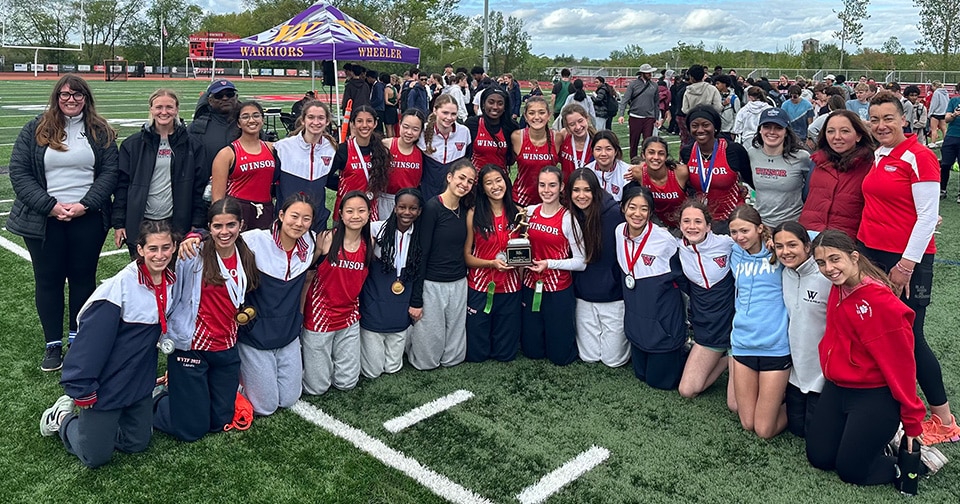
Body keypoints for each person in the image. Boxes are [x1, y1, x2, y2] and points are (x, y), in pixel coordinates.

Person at [806, 230, 947, 485]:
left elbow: (902, 366)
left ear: (854, 257)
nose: (828, 269)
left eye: (835, 259)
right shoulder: (839, 287)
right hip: (837, 388)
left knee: (852, 472)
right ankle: (875, 443)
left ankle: (923, 461)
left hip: (874, 395)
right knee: (820, 457)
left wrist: (912, 422)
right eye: (821, 263)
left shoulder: (880, 302)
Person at [859, 92, 960, 445]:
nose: (881, 125)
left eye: (888, 118)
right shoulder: (879, 154)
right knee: (879, 332)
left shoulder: (919, 156)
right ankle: (894, 404)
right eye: (875, 119)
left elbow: (928, 216)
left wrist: (905, 264)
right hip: (871, 254)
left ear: (904, 120)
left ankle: (944, 420)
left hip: (904, 260)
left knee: (911, 336)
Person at [40, 221, 177, 468]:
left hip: (139, 380)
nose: (160, 255)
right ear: (140, 250)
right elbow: (88, 345)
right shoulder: (119, 288)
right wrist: (82, 387)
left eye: (166, 247)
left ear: (174, 247)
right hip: (108, 384)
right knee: (95, 457)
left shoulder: (172, 281)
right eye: (153, 248)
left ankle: (119, 420)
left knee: (137, 444)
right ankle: (62, 418)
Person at [8, 74, 119, 371]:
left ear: (86, 98)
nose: (71, 100)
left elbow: (110, 173)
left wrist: (85, 204)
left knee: (83, 278)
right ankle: (53, 344)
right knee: (48, 280)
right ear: (57, 97)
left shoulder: (100, 131)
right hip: (44, 219)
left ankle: (77, 338)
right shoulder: (36, 128)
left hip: (87, 217)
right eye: (65, 95)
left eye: (77, 94)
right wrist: (50, 206)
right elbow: (19, 171)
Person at [181, 193, 318, 416]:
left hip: (288, 334)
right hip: (256, 335)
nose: (299, 223)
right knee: (265, 407)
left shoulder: (311, 242)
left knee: (289, 398)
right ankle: (235, 381)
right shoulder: (256, 240)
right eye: (294, 216)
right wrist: (195, 235)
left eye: (306, 218)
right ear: (281, 215)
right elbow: (225, 235)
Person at [153, 199, 257, 442]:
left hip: (226, 348)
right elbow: (172, 292)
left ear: (241, 225)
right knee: (192, 430)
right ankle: (154, 398)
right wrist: (193, 236)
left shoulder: (246, 253)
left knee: (220, 421)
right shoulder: (193, 254)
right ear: (209, 227)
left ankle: (181, 393)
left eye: (230, 225)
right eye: (217, 226)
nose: (224, 232)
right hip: (193, 348)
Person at [114, 88, 206, 257]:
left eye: (169, 107)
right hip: (141, 221)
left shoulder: (192, 145)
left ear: (176, 109)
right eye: (159, 107)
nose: (164, 112)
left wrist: (197, 222)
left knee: (176, 270)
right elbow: (122, 186)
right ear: (151, 109)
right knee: (142, 270)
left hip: (176, 222)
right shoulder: (132, 145)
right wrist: (119, 223)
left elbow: (199, 188)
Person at [301, 192, 373, 395]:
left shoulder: (369, 243)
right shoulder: (326, 239)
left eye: (361, 211)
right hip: (320, 317)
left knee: (346, 383)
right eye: (350, 211)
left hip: (349, 316)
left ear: (369, 214)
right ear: (340, 214)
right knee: (316, 388)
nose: (355, 216)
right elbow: (306, 274)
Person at [728, 205, 790, 439]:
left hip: (775, 345)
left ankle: (798, 405)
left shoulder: (779, 253)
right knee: (747, 423)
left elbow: (809, 238)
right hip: (743, 343)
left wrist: (778, 241)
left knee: (764, 430)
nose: (739, 237)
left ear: (760, 228)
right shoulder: (734, 252)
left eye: (745, 231)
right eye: (734, 232)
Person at [408, 160, 476, 370]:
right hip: (433, 282)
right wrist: (416, 299)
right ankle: (424, 358)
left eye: (470, 181)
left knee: (455, 331)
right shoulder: (432, 208)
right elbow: (421, 253)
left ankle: (451, 359)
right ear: (449, 177)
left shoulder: (465, 210)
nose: (464, 184)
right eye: (461, 178)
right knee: (429, 339)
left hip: (458, 281)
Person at [615, 186, 685, 389]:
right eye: (632, 207)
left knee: (659, 381)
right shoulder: (619, 232)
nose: (637, 214)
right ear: (623, 208)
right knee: (641, 375)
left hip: (663, 324)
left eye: (644, 209)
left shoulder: (665, 240)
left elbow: (683, 277)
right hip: (637, 322)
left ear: (651, 212)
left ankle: (688, 352)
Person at [521, 166, 586, 366]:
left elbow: (581, 262)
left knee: (560, 356)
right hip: (531, 285)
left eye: (552, 185)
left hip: (558, 289)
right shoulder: (529, 212)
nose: (546, 190)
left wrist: (549, 264)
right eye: (542, 185)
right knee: (532, 351)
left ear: (561, 187)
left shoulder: (569, 219)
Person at [675, 200, 736, 405]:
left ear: (708, 226)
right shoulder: (676, 247)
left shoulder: (727, 243)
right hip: (708, 329)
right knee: (687, 390)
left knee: (735, 405)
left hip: (736, 330)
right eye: (686, 221)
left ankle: (733, 357)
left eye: (698, 221)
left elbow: (754, 241)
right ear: (680, 225)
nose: (692, 226)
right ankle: (725, 360)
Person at [360, 188, 424, 378]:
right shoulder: (375, 229)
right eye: (402, 207)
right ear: (394, 208)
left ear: (419, 211)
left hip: (400, 310)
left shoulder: (420, 236)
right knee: (372, 371)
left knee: (393, 367)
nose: (407, 212)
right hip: (374, 307)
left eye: (413, 208)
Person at [567, 169, 627, 367]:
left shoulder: (614, 215)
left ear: (596, 191)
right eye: (576, 190)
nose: (581, 195)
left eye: (587, 190)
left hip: (613, 296)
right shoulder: (569, 215)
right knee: (589, 356)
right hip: (583, 295)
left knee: (613, 360)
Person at [773, 221, 827, 438]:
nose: (785, 252)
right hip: (796, 372)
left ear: (807, 246)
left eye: (792, 245)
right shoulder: (784, 272)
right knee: (797, 430)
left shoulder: (826, 275)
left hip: (823, 373)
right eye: (779, 246)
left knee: (814, 434)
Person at [464, 165, 522, 362]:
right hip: (481, 285)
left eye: (499, 180)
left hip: (510, 287)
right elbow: (467, 257)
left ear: (506, 181)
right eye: (489, 183)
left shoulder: (519, 213)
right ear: (482, 188)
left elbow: (524, 251)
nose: (495, 186)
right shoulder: (473, 214)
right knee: (477, 355)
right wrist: (491, 263)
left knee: (506, 354)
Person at [800, 109, 876, 239]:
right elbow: (806, 196)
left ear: (858, 135)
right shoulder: (817, 162)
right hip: (810, 237)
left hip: (844, 241)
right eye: (830, 131)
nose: (837, 137)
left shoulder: (870, 166)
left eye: (845, 131)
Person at [678, 106, 753, 233]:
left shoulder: (733, 150)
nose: (700, 130)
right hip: (702, 219)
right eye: (695, 126)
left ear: (715, 127)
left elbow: (750, 179)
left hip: (732, 218)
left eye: (705, 125)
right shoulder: (687, 152)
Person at [210, 101, 276, 230]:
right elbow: (217, 199)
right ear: (238, 123)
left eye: (256, 115)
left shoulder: (272, 149)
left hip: (266, 210)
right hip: (238, 210)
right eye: (245, 117)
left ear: (262, 120)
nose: (251, 120)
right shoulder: (227, 154)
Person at [274, 100, 338, 232]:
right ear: (303, 120)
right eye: (311, 117)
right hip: (288, 219)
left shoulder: (332, 149)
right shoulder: (283, 147)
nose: (316, 122)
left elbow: (332, 180)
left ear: (327, 121)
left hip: (317, 219)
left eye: (321, 118)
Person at [745, 108, 812, 227]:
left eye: (778, 128)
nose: (772, 132)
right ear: (760, 130)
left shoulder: (802, 157)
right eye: (767, 127)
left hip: (791, 225)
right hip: (761, 224)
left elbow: (812, 189)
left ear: (786, 132)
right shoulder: (752, 154)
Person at [330, 105, 390, 220]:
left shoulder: (381, 150)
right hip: (346, 210)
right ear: (352, 124)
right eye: (359, 121)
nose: (364, 125)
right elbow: (327, 177)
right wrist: (344, 187)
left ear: (375, 124)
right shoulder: (343, 150)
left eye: (369, 121)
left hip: (370, 211)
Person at [419, 94, 471, 199]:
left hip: (453, 192)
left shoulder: (464, 132)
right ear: (435, 110)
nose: (449, 118)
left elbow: (467, 159)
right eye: (445, 113)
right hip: (427, 190)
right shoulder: (422, 131)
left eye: (453, 114)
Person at [512, 97, 559, 206]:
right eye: (531, 113)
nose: (537, 117)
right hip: (520, 201)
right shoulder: (517, 137)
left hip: (548, 201)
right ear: (525, 116)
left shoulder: (557, 138)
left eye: (542, 113)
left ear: (549, 115)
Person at [634, 137, 688, 229]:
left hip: (682, 225)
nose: (656, 157)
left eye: (661, 153)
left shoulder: (681, 172)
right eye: (651, 152)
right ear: (643, 155)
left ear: (666, 156)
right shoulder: (638, 173)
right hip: (656, 224)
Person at [189, 79, 240, 174]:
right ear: (210, 100)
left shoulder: (247, 124)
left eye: (229, 94)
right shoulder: (197, 127)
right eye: (219, 96)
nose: (225, 98)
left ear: (236, 97)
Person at [465, 86, 518, 171]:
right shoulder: (472, 124)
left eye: (500, 103)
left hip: (500, 177)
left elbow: (511, 160)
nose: (495, 107)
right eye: (491, 102)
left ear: (505, 107)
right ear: (483, 104)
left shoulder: (511, 126)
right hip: (476, 177)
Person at [618, 64, 661, 159]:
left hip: (649, 117)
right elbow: (625, 99)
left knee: (648, 142)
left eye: (650, 72)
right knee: (634, 142)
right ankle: (633, 160)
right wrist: (621, 114)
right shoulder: (633, 84)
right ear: (642, 73)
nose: (650, 74)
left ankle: (647, 160)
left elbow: (656, 103)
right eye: (648, 72)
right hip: (635, 116)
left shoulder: (654, 85)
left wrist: (657, 118)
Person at [585, 130, 631, 202]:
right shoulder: (587, 172)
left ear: (615, 151)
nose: (603, 154)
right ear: (592, 151)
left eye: (608, 149)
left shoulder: (627, 173)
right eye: (598, 149)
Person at [556, 103, 597, 180]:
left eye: (580, 121)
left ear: (587, 119)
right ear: (567, 128)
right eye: (572, 124)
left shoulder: (596, 143)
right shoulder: (563, 137)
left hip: (588, 187)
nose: (578, 127)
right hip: (567, 187)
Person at [939, 84, 960, 202]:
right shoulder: (954, 101)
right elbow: (946, 119)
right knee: (945, 164)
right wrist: (954, 114)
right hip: (951, 136)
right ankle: (942, 190)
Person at [715, 75, 740, 140]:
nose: (716, 86)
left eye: (718, 83)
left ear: (724, 84)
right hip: (716, 130)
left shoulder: (734, 98)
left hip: (728, 132)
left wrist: (733, 131)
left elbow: (737, 115)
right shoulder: (715, 97)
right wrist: (723, 104)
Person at [928, 80, 949, 147]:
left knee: (934, 129)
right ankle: (946, 142)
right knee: (944, 129)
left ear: (934, 86)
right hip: (943, 113)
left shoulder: (936, 93)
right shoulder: (946, 92)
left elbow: (934, 104)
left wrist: (930, 113)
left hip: (936, 113)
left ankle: (933, 143)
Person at [381, 73, 400, 137]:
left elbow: (386, 101)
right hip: (394, 109)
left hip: (388, 109)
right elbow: (397, 98)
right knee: (392, 127)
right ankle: (394, 140)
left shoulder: (387, 89)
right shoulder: (394, 89)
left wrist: (391, 104)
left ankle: (390, 140)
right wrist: (395, 103)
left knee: (388, 127)